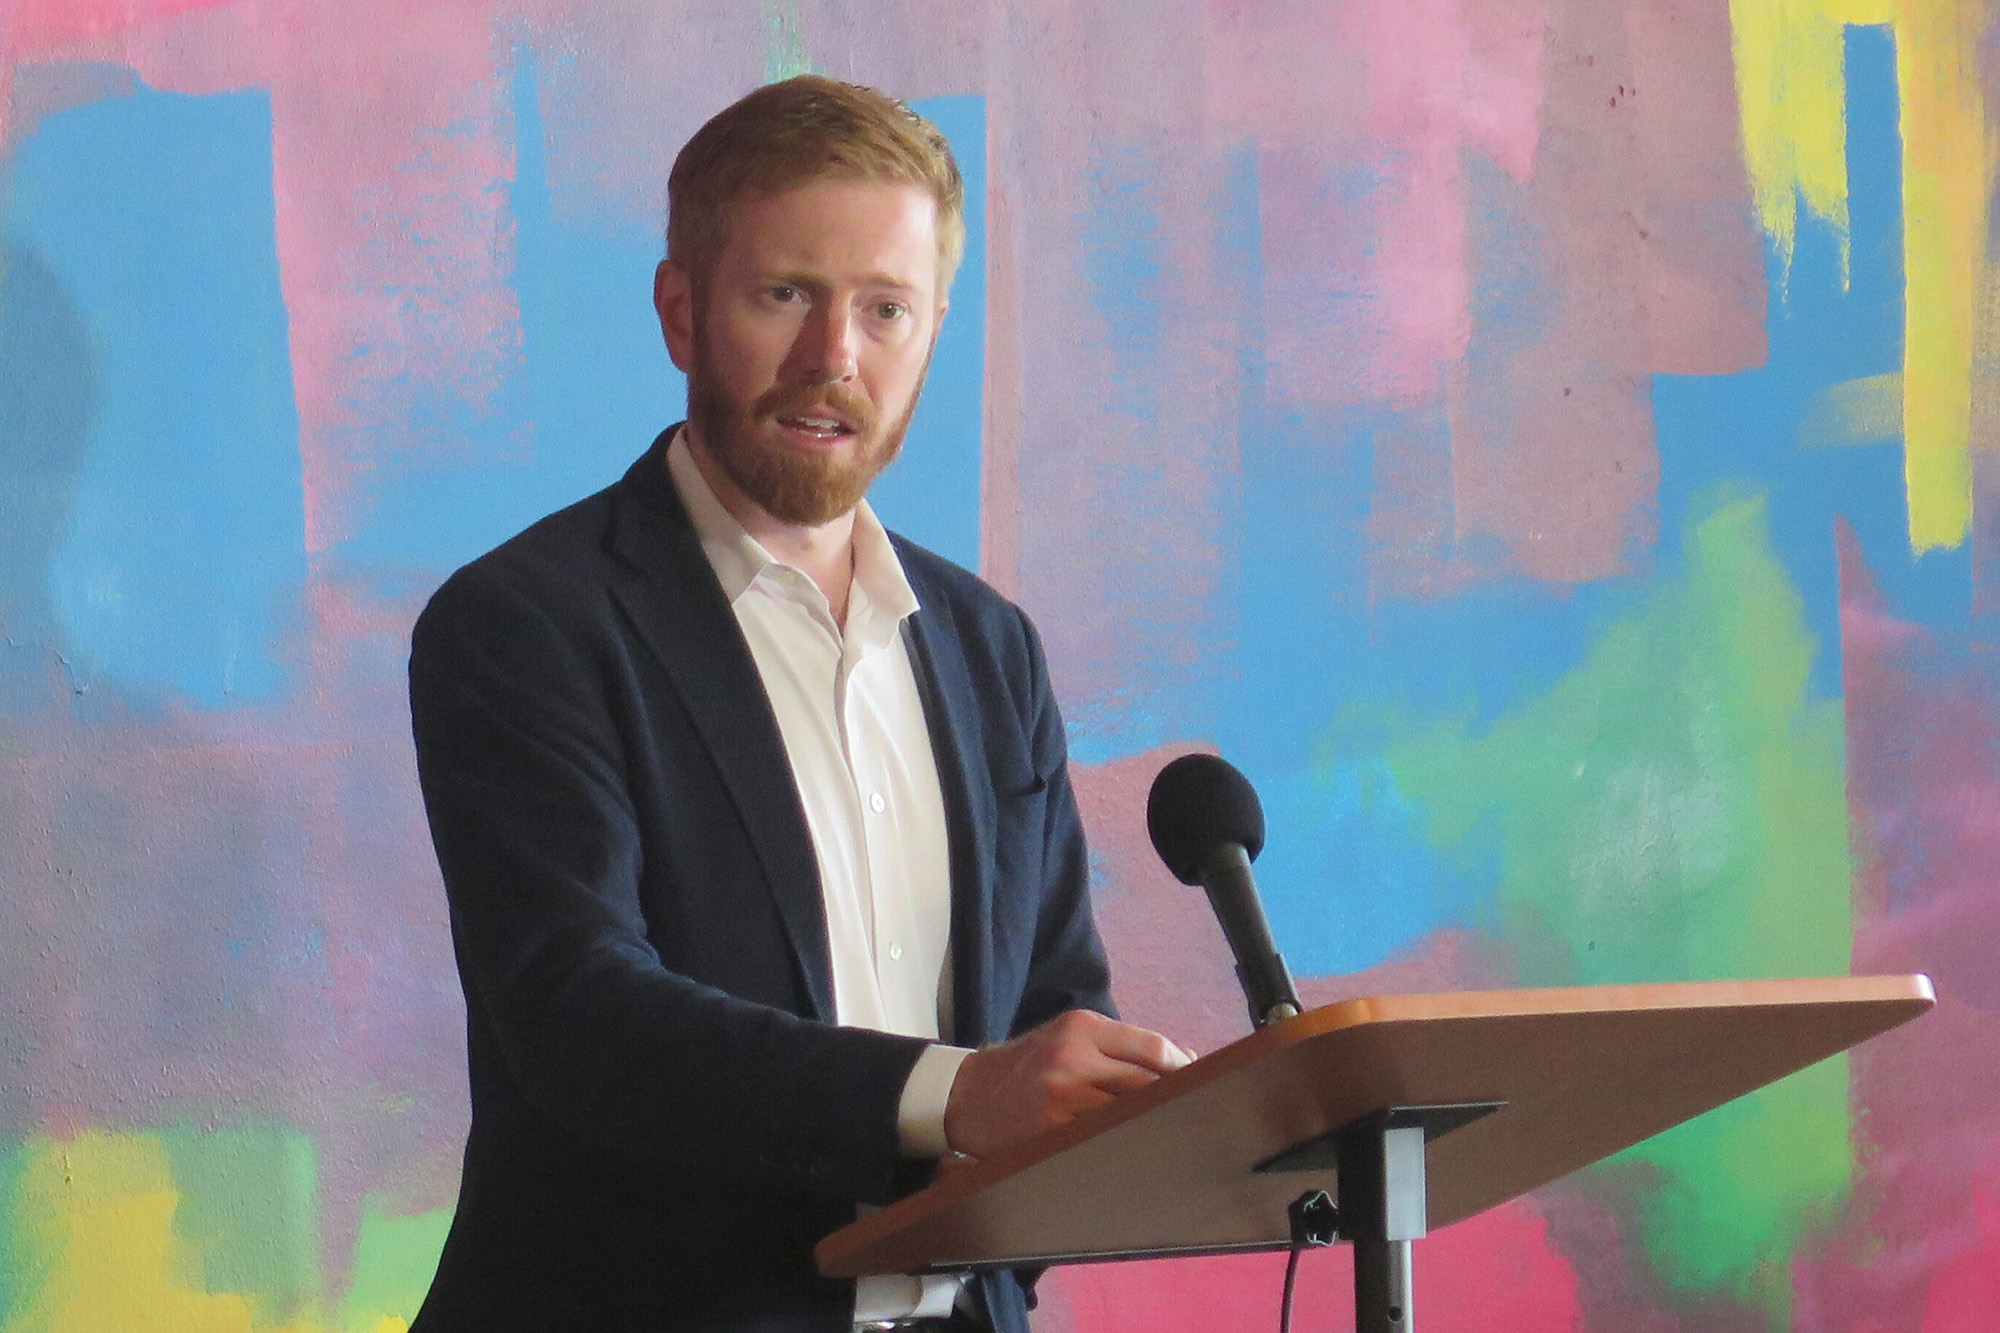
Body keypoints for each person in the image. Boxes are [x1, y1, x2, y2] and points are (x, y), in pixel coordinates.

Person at [406, 75, 1189, 1332]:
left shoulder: (990, 650)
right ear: (680, 310)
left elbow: (1049, 1010)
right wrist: (959, 1093)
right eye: (787, 295)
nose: (836, 358)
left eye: (885, 309)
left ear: (935, 326)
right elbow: (579, 1014)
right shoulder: (525, 623)